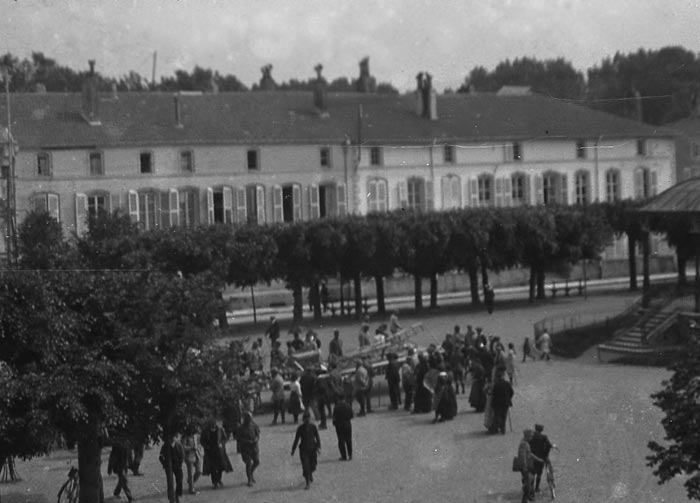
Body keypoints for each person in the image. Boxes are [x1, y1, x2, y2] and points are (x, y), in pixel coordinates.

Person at [291, 411, 321, 490]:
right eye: (305, 419)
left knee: (313, 465)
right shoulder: (300, 428)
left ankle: (310, 473)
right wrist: (293, 449)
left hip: (312, 449)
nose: (307, 420)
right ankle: (307, 482)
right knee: (305, 465)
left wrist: (318, 447)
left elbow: (317, 437)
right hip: (303, 450)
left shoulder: (313, 427)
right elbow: (296, 439)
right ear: (303, 420)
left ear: (310, 419)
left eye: (308, 419)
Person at [200, 419, 233, 488]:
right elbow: (202, 441)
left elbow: (225, 438)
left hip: (219, 451)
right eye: (211, 425)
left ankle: (219, 479)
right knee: (213, 468)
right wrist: (207, 446)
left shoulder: (220, 430)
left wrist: (221, 444)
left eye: (214, 425)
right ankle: (215, 482)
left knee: (221, 467)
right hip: (210, 452)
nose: (213, 426)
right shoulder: (205, 431)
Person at [517, 429, 544, 503]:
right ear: (527, 436)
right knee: (528, 482)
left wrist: (538, 459)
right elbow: (523, 457)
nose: (531, 438)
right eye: (530, 436)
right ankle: (525, 499)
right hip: (526, 467)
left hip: (528, 466)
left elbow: (529, 454)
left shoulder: (526, 443)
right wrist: (524, 467)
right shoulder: (524, 444)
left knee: (530, 481)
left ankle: (529, 497)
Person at [236, 411, 260, 487]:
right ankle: (249, 479)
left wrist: (256, 440)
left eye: (250, 418)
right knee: (248, 463)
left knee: (257, 462)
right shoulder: (241, 428)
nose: (249, 419)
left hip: (254, 447)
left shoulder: (254, 426)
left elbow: (257, 435)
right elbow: (238, 438)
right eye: (247, 418)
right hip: (245, 448)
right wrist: (247, 441)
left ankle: (251, 473)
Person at [159, 434, 185, 502]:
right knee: (170, 483)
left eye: (173, 437)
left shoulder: (178, 445)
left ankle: (177, 494)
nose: (172, 439)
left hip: (177, 466)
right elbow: (161, 456)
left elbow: (182, 456)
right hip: (169, 466)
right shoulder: (165, 446)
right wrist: (164, 463)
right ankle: (171, 499)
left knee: (179, 480)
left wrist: (180, 464)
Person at [530, 424, 554, 493]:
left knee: (532, 473)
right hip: (541, 457)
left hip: (532, 457)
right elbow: (549, 445)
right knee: (539, 473)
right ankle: (537, 488)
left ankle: (531, 487)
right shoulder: (544, 437)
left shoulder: (531, 436)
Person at [490, 368, 514, 434]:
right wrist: (508, 398)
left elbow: (494, 394)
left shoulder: (496, 385)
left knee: (497, 416)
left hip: (497, 403)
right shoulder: (507, 384)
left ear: (498, 378)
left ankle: (495, 429)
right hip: (505, 403)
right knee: (504, 416)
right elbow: (511, 392)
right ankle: (503, 429)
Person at [332, 395, 354, 461]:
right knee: (348, 440)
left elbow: (334, 417)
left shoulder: (336, 407)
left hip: (339, 425)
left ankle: (343, 456)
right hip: (347, 424)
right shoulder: (348, 405)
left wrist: (335, 423)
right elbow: (352, 415)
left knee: (341, 440)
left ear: (339, 399)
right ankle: (350, 455)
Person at [181, 426, 201, 495]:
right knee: (191, 474)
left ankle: (190, 482)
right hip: (189, 456)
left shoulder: (196, 436)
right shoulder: (185, 437)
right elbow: (183, 447)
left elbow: (199, 443)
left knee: (199, 471)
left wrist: (198, 448)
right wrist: (191, 448)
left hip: (197, 455)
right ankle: (191, 489)